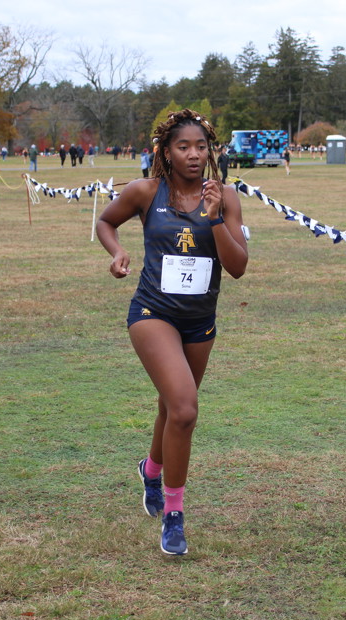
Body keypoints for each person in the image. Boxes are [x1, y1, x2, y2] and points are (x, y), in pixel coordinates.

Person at [95, 109, 248, 556]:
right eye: (184, 147)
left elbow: (238, 267)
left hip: (200, 321)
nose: (194, 155)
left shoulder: (226, 196)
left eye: (201, 147)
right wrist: (117, 251)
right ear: (165, 152)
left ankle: (151, 469)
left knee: (171, 407)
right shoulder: (145, 191)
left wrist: (215, 218)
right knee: (184, 408)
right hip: (153, 312)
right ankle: (174, 516)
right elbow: (105, 221)